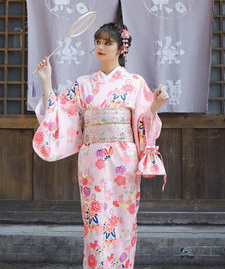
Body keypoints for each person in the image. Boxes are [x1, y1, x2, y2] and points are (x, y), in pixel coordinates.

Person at [33, 22, 169, 269]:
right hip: (92, 160)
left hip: (122, 161)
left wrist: (153, 108)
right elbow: (60, 115)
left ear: (121, 49)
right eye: (97, 42)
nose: (100, 47)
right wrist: (46, 81)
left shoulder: (135, 83)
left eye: (107, 43)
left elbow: (143, 120)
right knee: (95, 220)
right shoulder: (83, 84)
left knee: (123, 219)